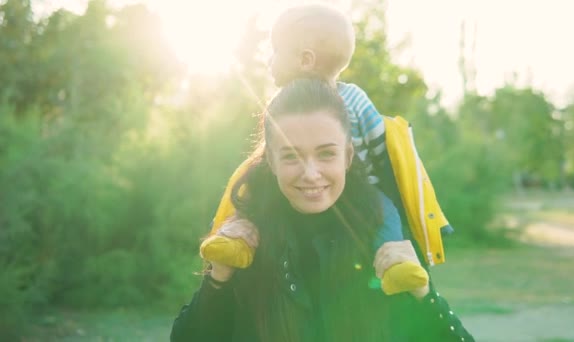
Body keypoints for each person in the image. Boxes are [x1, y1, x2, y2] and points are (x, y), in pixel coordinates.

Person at [171, 79, 473, 341]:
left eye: (326, 153)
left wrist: (424, 297)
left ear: (348, 155)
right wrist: (218, 277)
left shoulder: (385, 236)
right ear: (272, 163)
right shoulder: (246, 241)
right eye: (291, 156)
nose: (311, 173)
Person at [201, 2, 452, 296]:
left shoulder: (354, 99)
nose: (270, 61)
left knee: (386, 213)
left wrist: (382, 191)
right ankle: (236, 243)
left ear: (306, 59)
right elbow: (265, 160)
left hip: (362, 189)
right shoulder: (281, 106)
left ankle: (394, 264)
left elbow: (380, 148)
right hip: (289, 193)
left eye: (276, 51)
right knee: (252, 201)